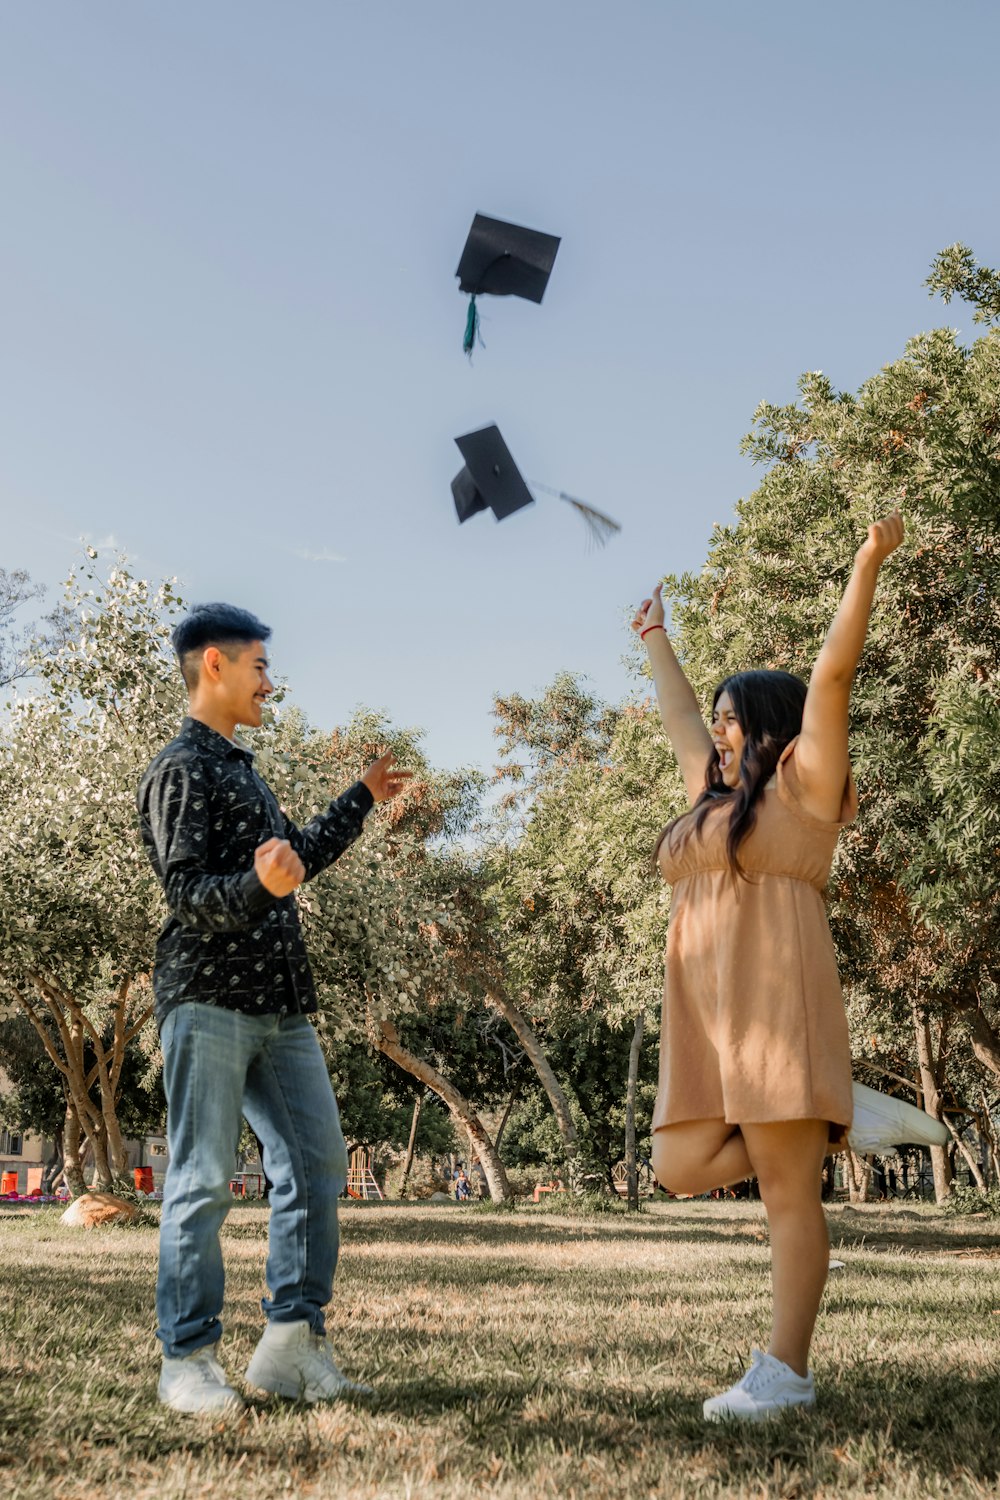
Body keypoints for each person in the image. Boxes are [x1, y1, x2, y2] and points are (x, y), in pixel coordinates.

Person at [633, 512, 940, 1422]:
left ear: (765, 725)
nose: (717, 733)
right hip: (708, 1013)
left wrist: (865, 565)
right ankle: (835, 1117)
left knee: (782, 1196)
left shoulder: (806, 783)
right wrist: (655, 637)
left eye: (733, 721)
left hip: (775, 999)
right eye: (716, 722)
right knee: (678, 1165)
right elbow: (680, 713)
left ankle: (786, 1371)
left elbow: (835, 674)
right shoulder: (710, 800)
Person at [137, 603, 411, 1415]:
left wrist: (359, 798)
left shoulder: (241, 768)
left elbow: (296, 860)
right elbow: (186, 895)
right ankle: (186, 1360)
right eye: (259, 665)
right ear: (214, 666)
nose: (270, 680)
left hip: (281, 1010)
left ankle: (290, 1344)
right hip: (208, 1001)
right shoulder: (181, 768)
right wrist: (262, 885)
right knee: (201, 1181)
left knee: (318, 1167)